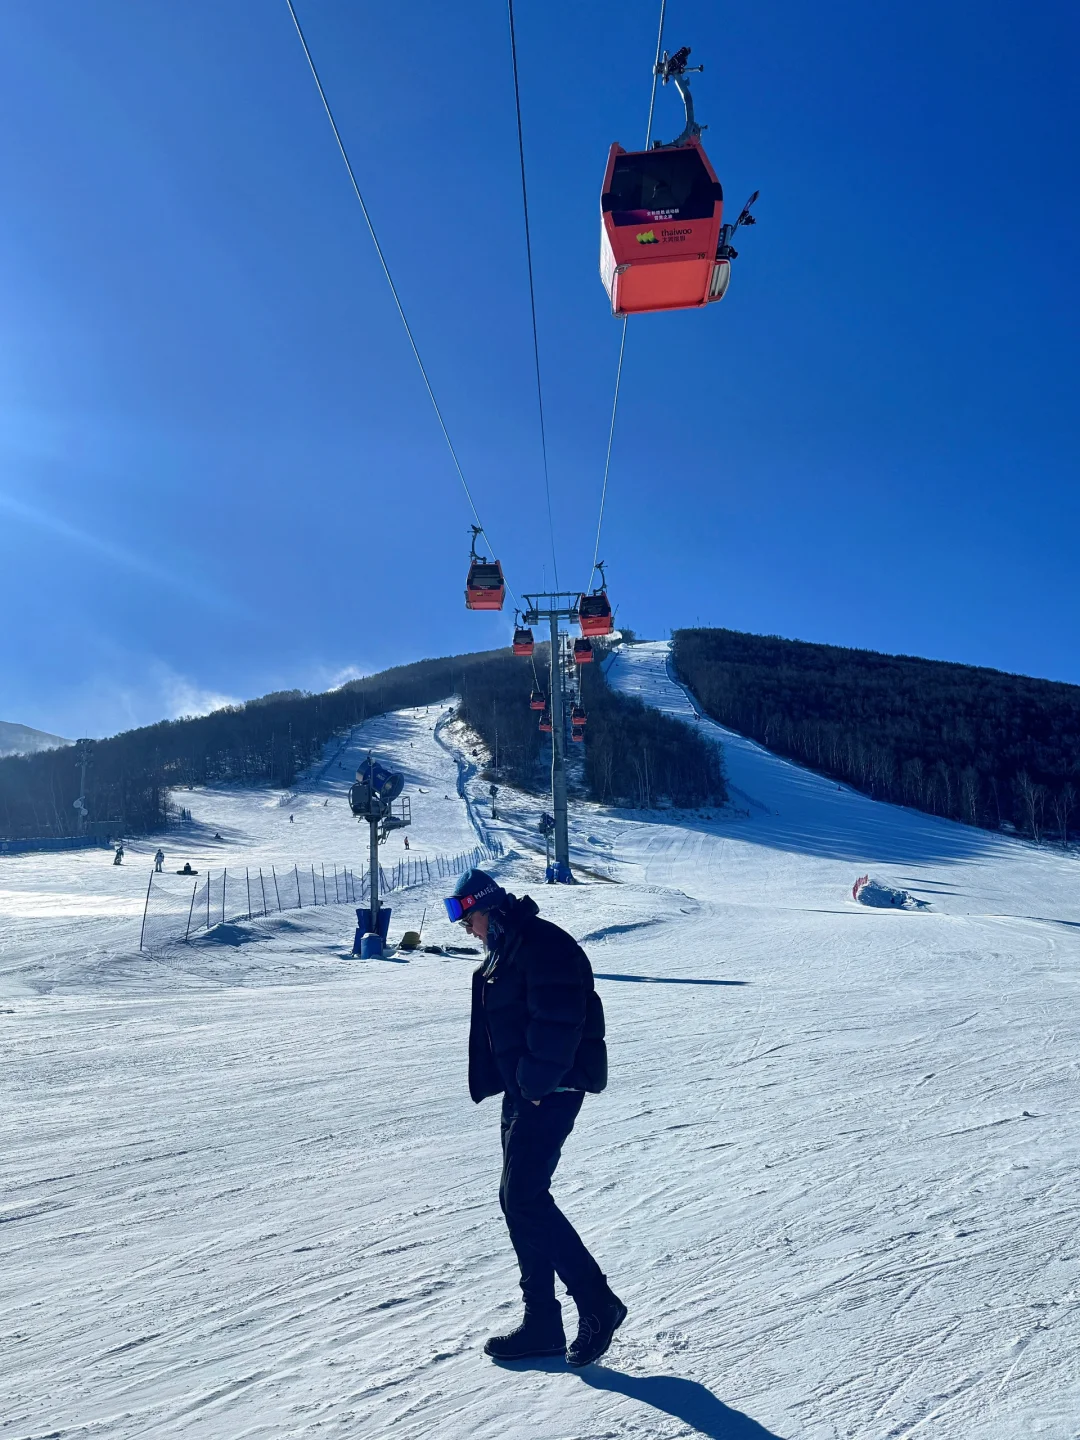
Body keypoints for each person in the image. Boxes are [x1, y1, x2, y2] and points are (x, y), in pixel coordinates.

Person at [444, 869, 625, 1367]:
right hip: (527, 1090)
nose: (465, 928)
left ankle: (597, 1303)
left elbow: (561, 1018)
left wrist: (537, 1084)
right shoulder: (512, 947)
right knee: (516, 1200)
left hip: (552, 1088)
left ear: (489, 907)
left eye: (467, 916)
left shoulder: (543, 945)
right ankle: (542, 1323)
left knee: (522, 1196)